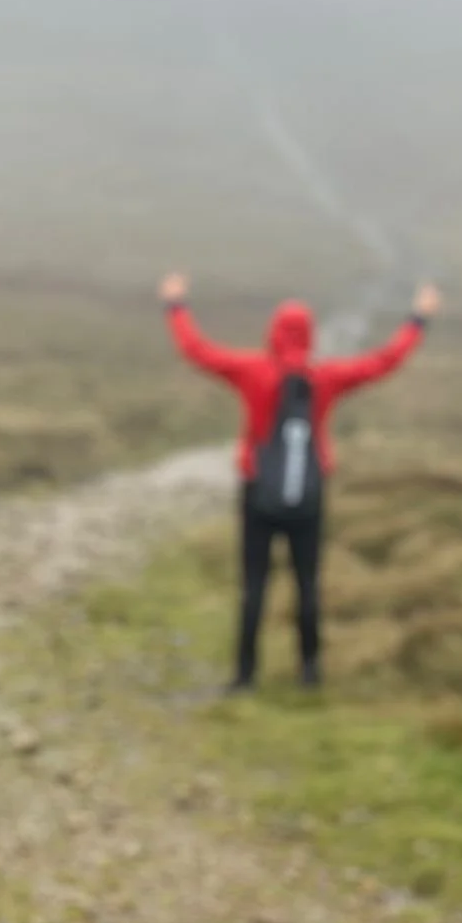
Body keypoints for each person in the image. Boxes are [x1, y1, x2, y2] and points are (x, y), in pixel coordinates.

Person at [158, 273, 441, 690]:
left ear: (272, 332)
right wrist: (418, 319)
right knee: (307, 584)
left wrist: (175, 306)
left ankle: (244, 676)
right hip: (309, 494)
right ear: (309, 337)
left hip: (258, 491)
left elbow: (196, 350)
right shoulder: (324, 379)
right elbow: (385, 361)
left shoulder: (251, 371)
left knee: (254, 585)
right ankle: (309, 673)